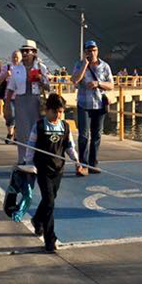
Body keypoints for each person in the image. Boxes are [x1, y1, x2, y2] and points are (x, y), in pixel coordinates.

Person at [24, 93, 78, 253]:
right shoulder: (39, 126)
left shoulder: (65, 126)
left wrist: (77, 160)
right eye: (55, 112)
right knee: (50, 201)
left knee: (50, 199)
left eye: (61, 112)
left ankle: (37, 219)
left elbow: (69, 146)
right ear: (47, 110)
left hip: (58, 169)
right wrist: (29, 165)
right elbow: (30, 147)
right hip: (42, 169)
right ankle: (50, 239)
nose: (58, 115)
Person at [70, 40, 113, 176]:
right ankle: (83, 165)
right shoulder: (79, 64)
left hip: (99, 105)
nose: (92, 53)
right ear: (85, 52)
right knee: (83, 135)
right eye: (89, 51)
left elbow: (111, 85)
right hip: (84, 104)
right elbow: (75, 80)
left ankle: (93, 163)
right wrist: (85, 65)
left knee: (97, 135)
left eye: (94, 50)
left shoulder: (105, 66)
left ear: (97, 51)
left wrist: (98, 83)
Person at [6, 40, 51, 163]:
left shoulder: (41, 67)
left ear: (34, 53)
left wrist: (40, 78)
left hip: (36, 101)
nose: (24, 53)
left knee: (37, 131)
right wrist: (7, 105)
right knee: (22, 132)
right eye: (23, 51)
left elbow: (48, 87)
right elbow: (10, 88)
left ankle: (36, 158)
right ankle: (22, 159)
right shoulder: (16, 68)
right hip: (21, 101)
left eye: (27, 51)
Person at [0, 50, 21, 142]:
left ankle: (16, 136)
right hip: (9, 96)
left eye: (17, 57)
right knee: (10, 115)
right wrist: (5, 75)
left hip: (20, 96)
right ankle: (10, 133)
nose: (15, 59)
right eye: (14, 56)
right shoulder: (6, 67)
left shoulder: (23, 68)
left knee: (19, 117)